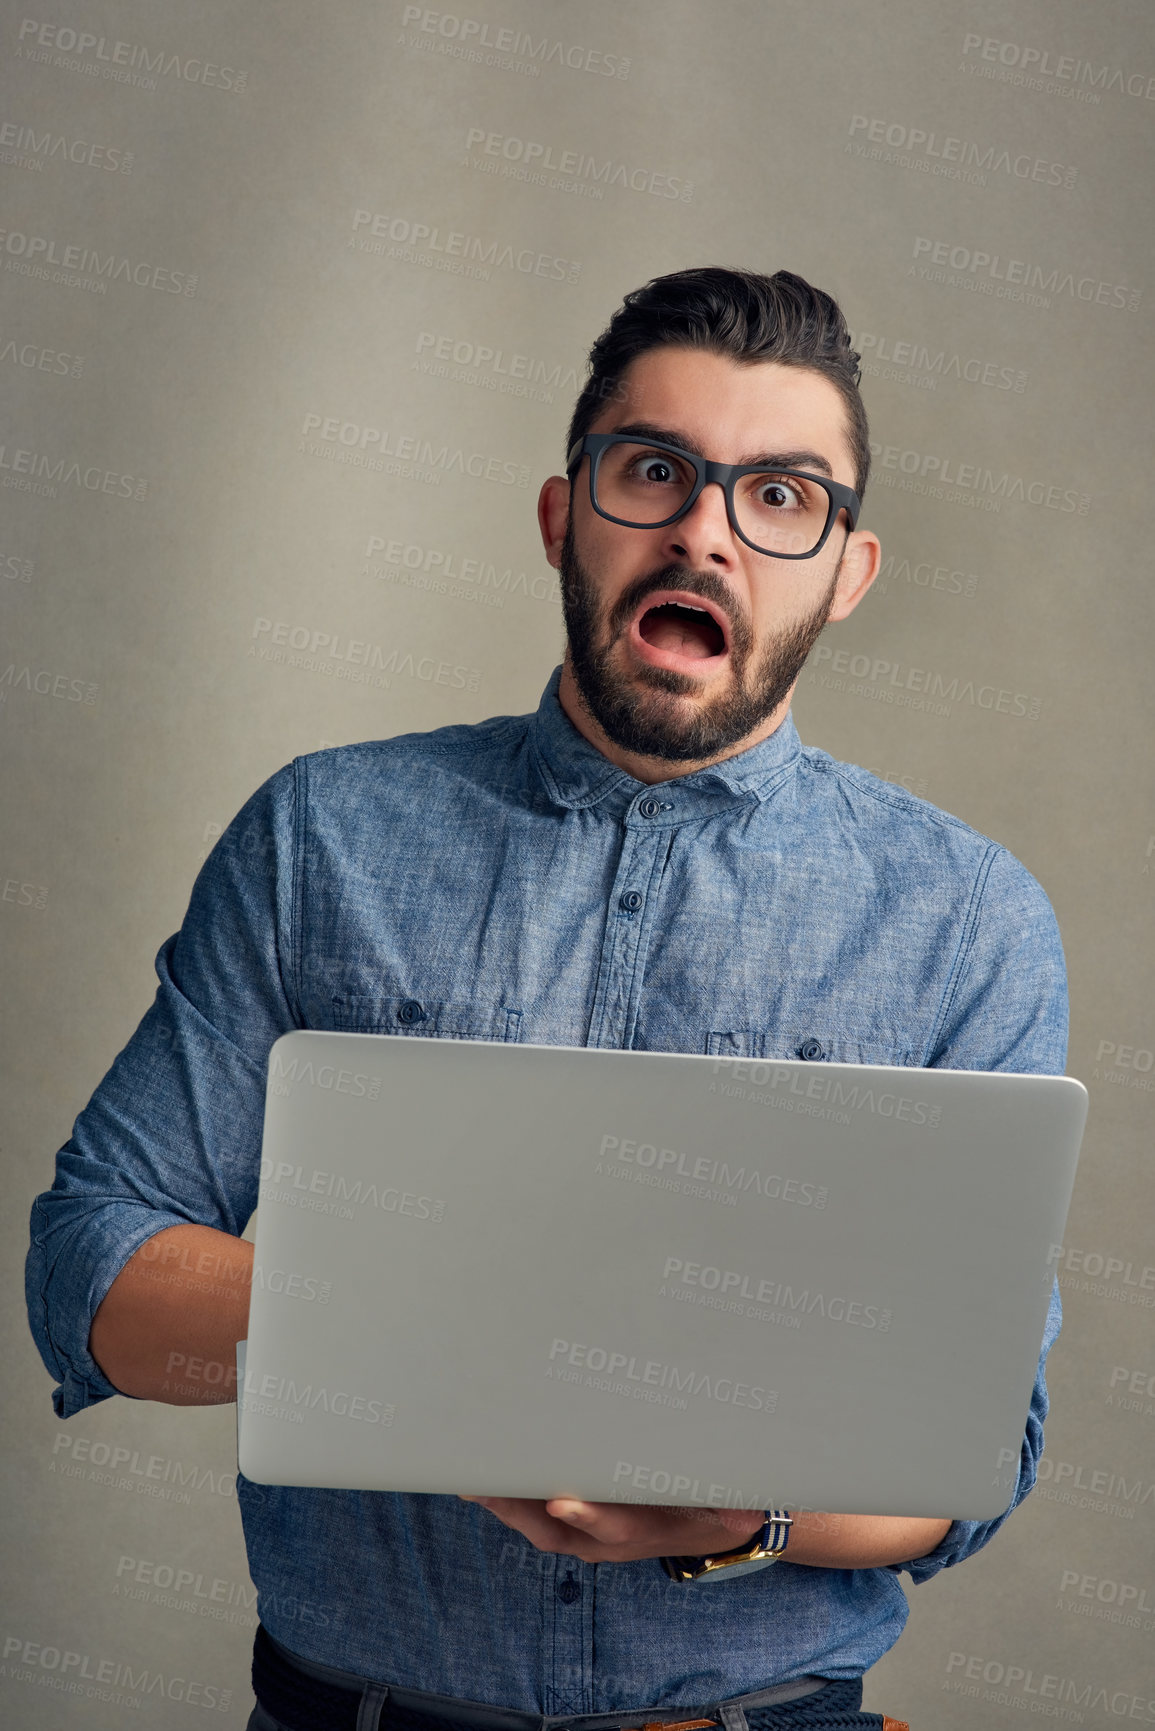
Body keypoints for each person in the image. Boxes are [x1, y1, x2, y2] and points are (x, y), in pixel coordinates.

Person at [27, 267, 1067, 1731]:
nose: (707, 528)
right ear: (562, 516)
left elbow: (977, 1453)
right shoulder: (321, 837)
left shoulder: (968, 922)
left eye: (782, 497)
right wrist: (447, 1338)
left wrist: (729, 1517)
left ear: (848, 571)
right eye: (655, 473)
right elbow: (88, 1276)